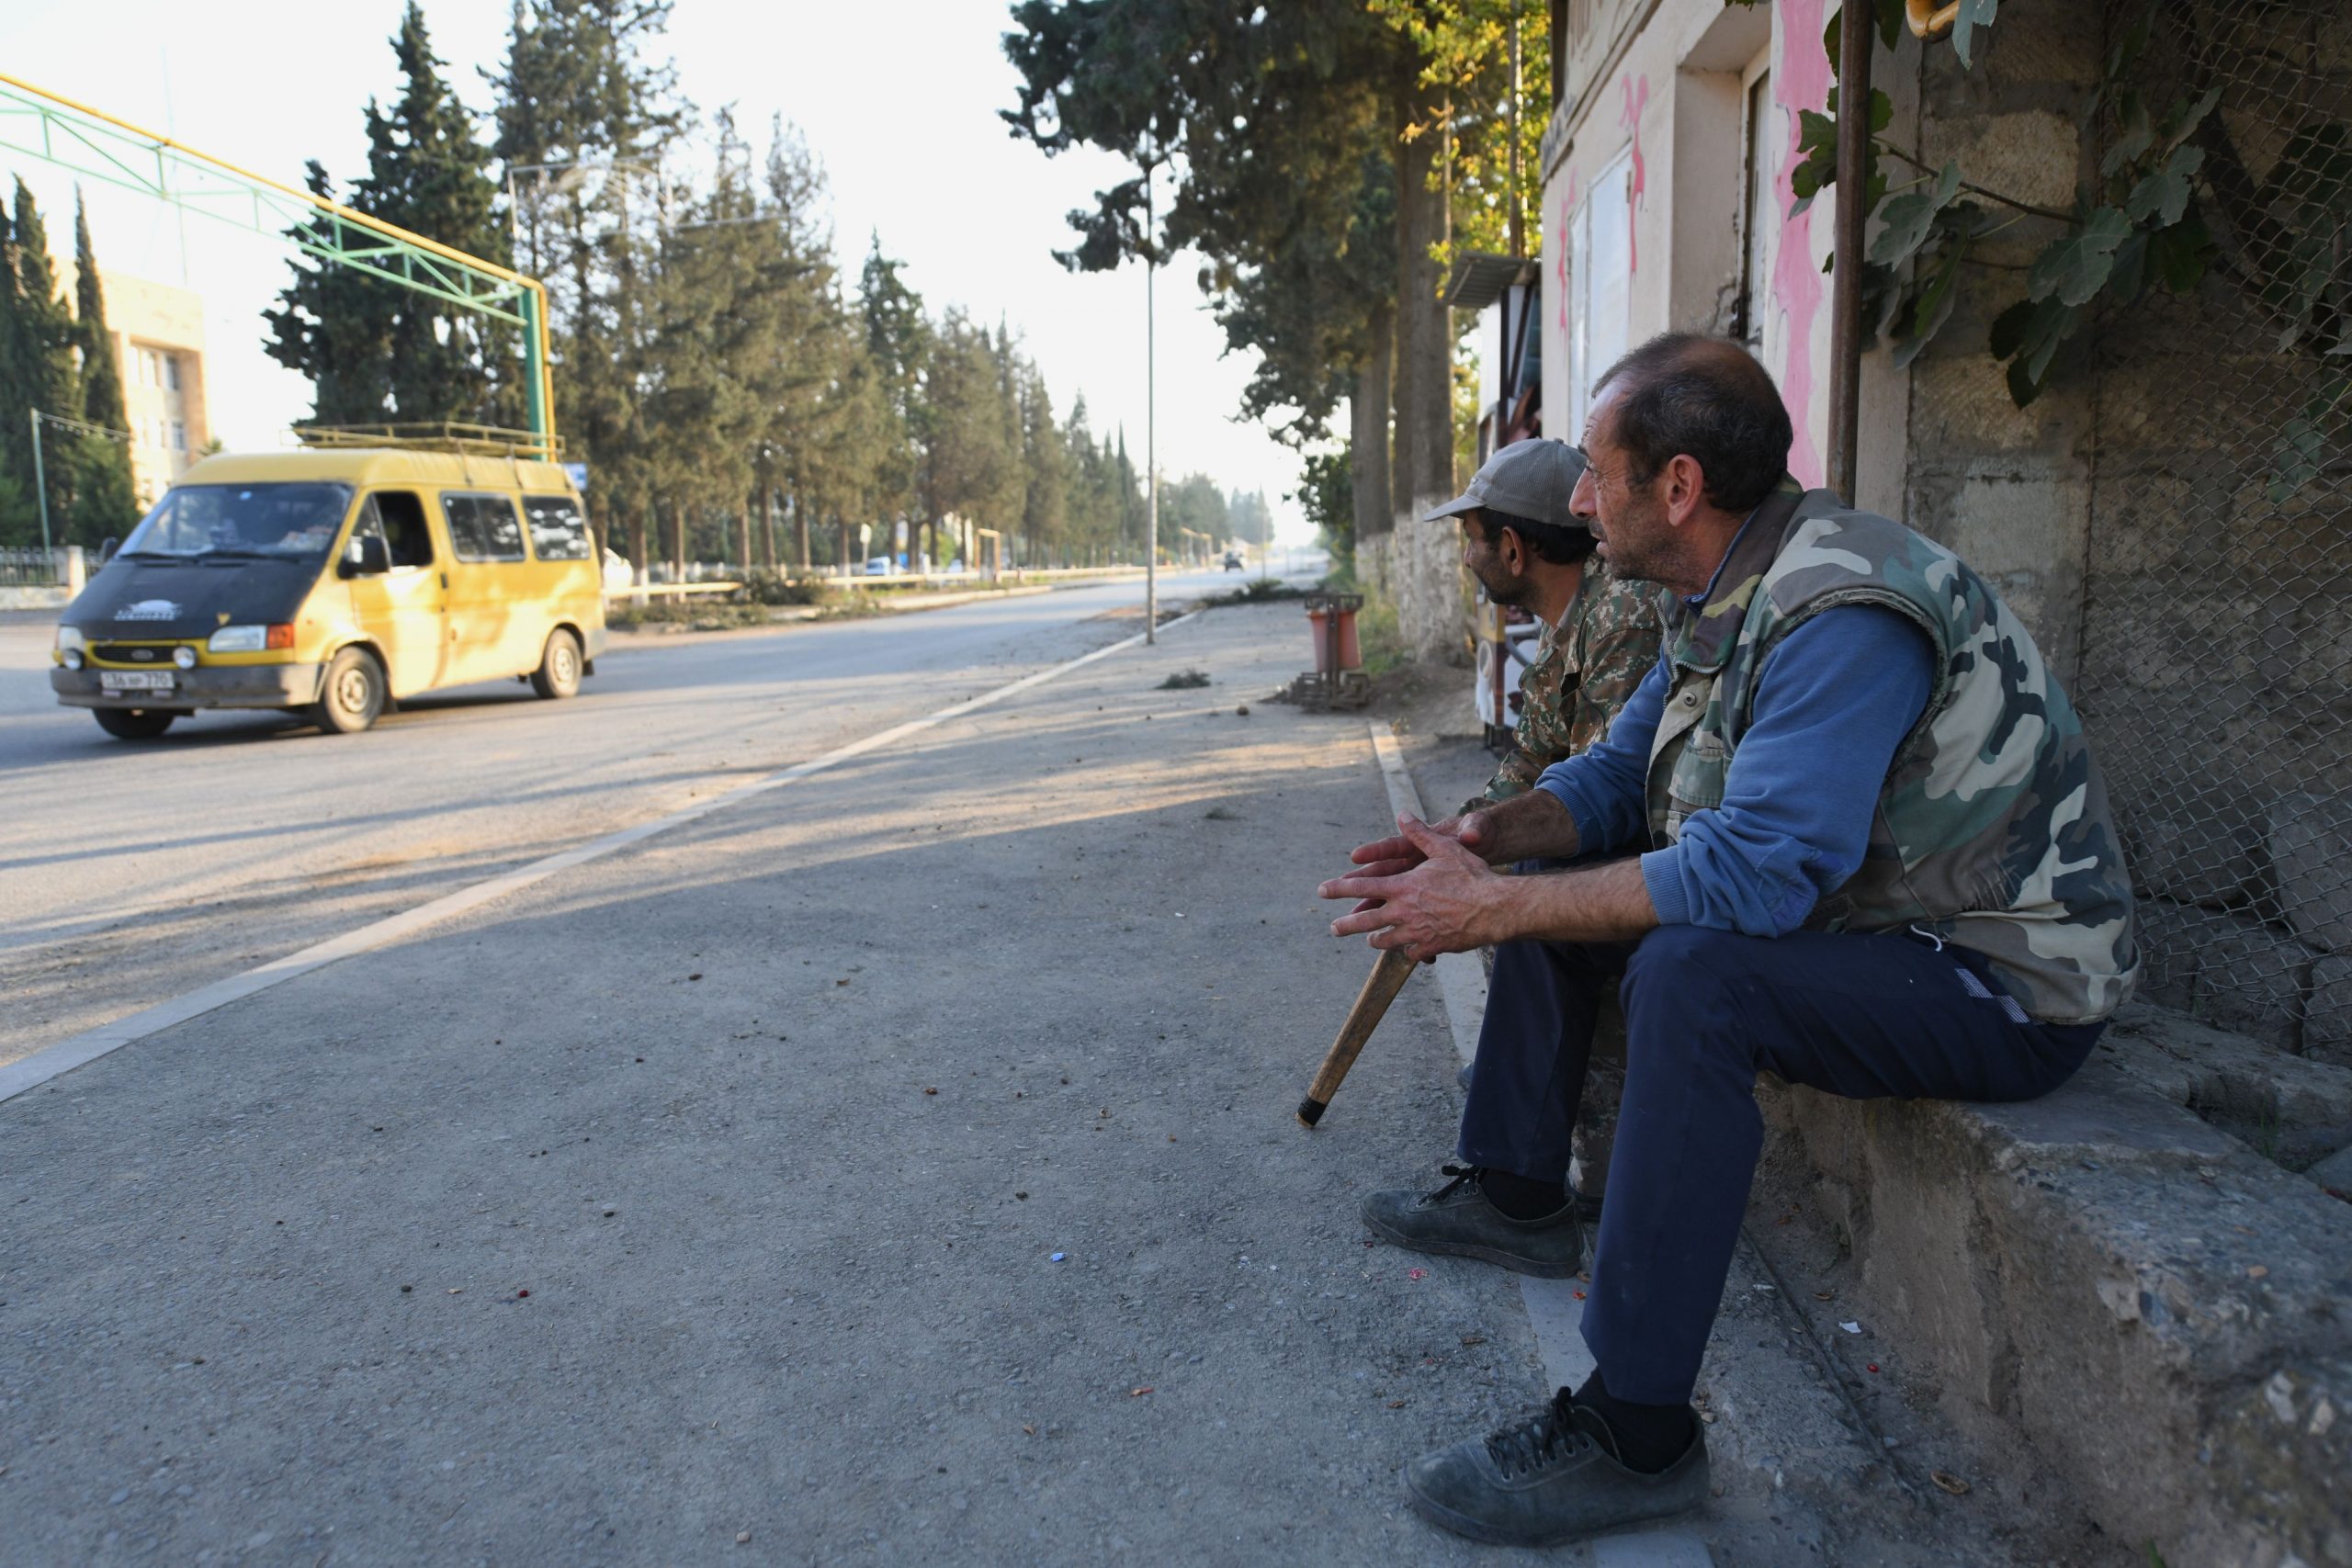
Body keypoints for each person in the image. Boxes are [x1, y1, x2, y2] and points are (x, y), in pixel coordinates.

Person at [1317, 332, 2137, 1547]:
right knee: (1553, 865)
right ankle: (1516, 1186)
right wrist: (1483, 836)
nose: (1580, 500)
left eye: (1597, 474)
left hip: (1998, 975)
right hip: (1871, 930)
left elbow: (1758, 873)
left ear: (1681, 487)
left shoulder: (1838, 608)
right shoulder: (1720, 591)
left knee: (1692, 973)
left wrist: (1500, 906)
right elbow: (1605, 782)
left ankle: (1636, 1429)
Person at [1430, 440, 1657, 820]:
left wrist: (1482, 857)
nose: (1467, 559)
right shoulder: (1565, 615)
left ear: (1513, 550)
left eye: (1472, 540)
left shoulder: (1622, 620)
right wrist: (1460, 834)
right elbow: (1533, 755)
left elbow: (1595, 798)